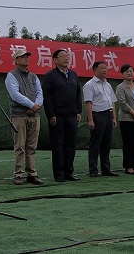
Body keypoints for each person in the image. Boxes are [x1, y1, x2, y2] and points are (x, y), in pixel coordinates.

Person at [41, 49, 82, 182]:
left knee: (71, 144)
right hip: (57, 116)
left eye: (67, 56)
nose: (66, 58)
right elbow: (46, 97)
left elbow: (78, 94)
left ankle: (69, 172)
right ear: (55, 60)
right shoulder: (50, 76)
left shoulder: (74, 75)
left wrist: (78, 111)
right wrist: (51, 114)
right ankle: (59, 174)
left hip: (72, 115)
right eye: (63, 56)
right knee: (58, 145)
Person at [5, 49, 44, 186]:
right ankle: (18, 174)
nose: (27, 58)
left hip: (35, 115)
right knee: (20, 146)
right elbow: (15, 95)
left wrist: (36, 105)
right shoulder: (11, 76)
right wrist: (32, 105)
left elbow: (40, 93)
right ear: (16, 60)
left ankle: (32, 174)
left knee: (32, 146)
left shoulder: (34, 76)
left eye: (27, 56)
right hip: (19, 115)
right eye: (23, 56)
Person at [83, 61, 118, 177]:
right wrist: (90, 120)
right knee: (95, 144)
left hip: (108, 115)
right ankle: (93, 169)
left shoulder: (107, 85)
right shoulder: (90, 85)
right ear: (94, 70)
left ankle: (106, 169)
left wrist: (114, 117)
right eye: (102, 68)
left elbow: (112, 102)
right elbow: (88, 103)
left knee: (106, 143)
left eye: (106, 68)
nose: (105, 70)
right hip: (97, 115)